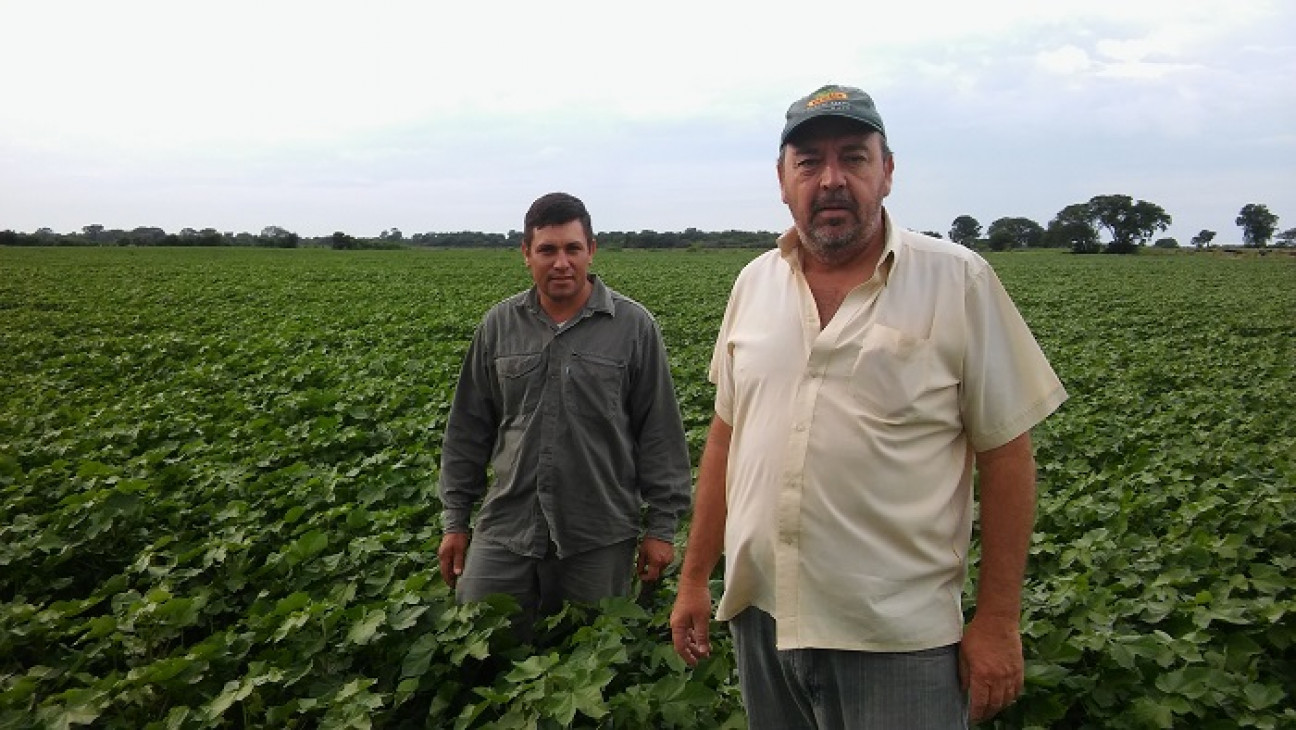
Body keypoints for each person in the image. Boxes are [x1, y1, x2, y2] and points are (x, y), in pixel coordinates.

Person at [669, 85, 1068, 727]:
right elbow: (726, 437)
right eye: (809, 162)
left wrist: (997, 620)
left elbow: (1006, 452)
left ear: (887, 172)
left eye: (854, 158)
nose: (831, 180)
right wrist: (694, 579)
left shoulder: (957, 280)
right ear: (781, 180)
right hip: (762, 620)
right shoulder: (754, 284)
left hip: (896, 640)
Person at [438, 191, 691, 640]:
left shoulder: (634, 327)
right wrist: (456, 520)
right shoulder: (498, 326)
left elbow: (660, 433)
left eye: (573, 249)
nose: (561, 263)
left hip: (598, 532)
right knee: (480, 639)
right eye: (547, 250)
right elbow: (467, 430)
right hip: (508, 527)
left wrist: (662, 528)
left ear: (591, 250)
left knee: (591, 654)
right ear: (526, 254)